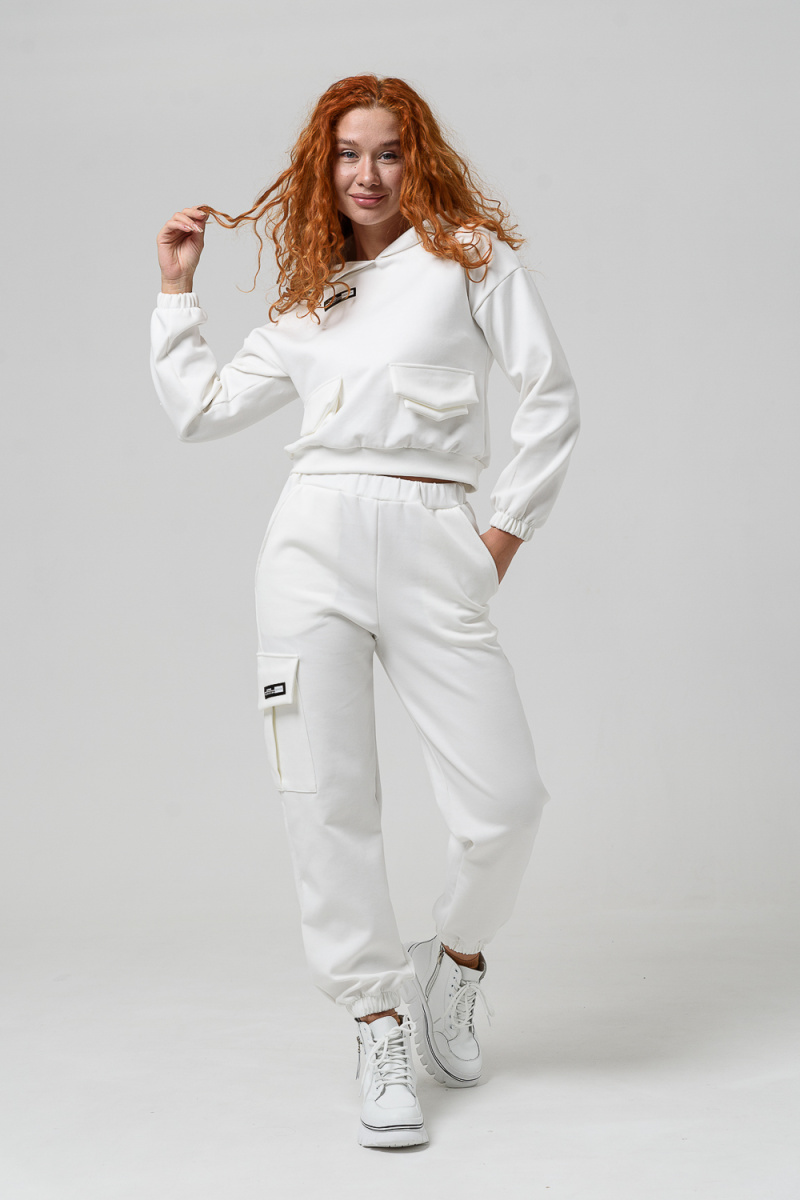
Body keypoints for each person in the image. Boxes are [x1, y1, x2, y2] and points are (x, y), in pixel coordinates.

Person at [150, 73, 580, 1149]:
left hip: (436, 537)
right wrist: (176, 294)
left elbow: (550, 394)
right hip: (312, 544)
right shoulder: (309, 302)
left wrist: (500, 536)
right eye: (348, 154)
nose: (368, 174)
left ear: (416, 157)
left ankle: (455, 963)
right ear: (322, 166)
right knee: (326, 796)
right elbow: (200, 410)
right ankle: (378, 1023)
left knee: (507, 804)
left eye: (388, 152)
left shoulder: (467, 258)